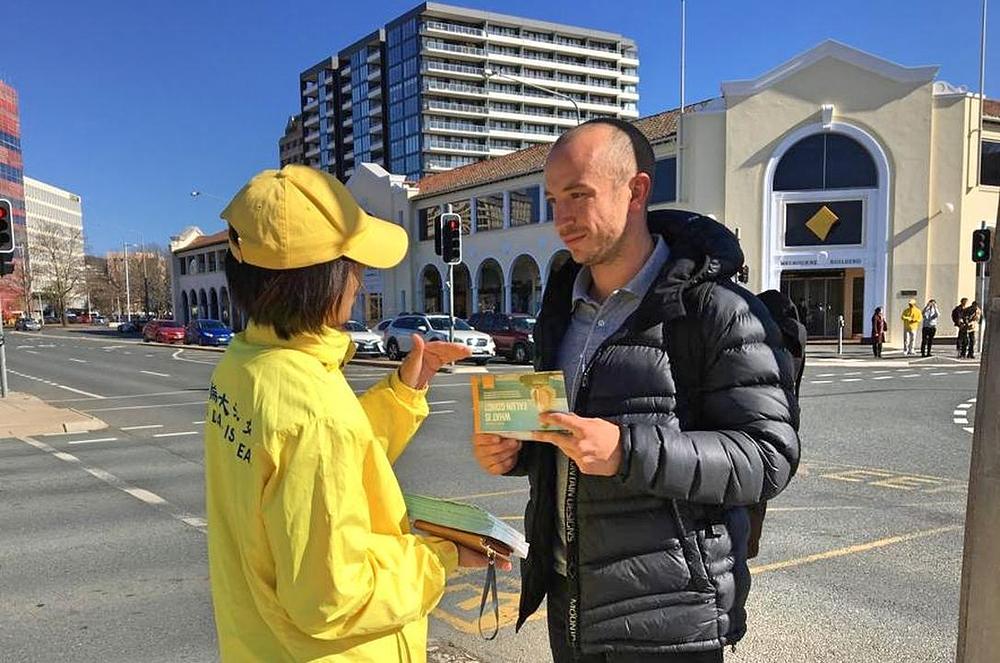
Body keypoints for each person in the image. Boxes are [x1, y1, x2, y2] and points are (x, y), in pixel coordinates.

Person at [472, 119, 800, 662]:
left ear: (637, 191)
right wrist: (517, 451)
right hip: (572, 604)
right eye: (554, 200)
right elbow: (569, 437)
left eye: (578, 196)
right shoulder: (561, 308)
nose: (563, 221)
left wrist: (628, 449)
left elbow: (767, 457)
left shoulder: (717, 311)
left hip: (668, 618)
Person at [204, 165, 506, 662]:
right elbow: (333, 599)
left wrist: (405, 390)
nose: (361, 281)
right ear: (323, 279)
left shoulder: (246, 366)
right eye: (354, 265)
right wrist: (440, 558)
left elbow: (334, 459)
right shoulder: (311, 405)